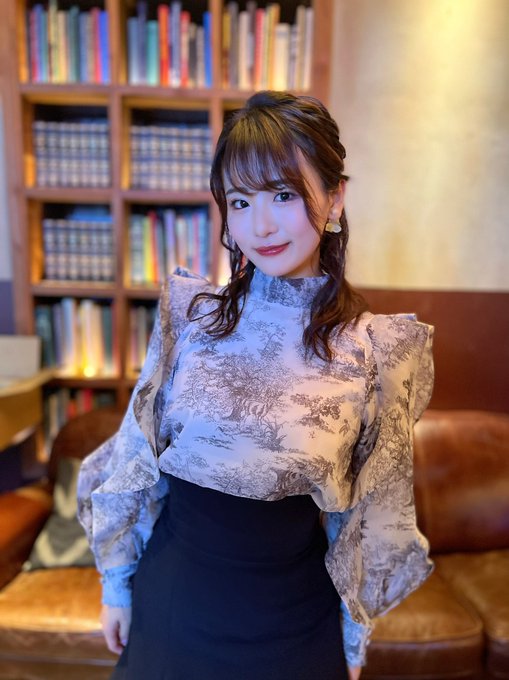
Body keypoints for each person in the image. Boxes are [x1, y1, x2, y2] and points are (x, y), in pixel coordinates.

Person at [77, 90, 434, 680]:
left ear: (335, 196)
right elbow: (137, 459)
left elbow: (370, 511)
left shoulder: (375, 352)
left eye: (283, 195)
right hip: (175, 605)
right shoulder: (191, 317)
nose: (259, 225)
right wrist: (116, 585)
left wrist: (353, 639)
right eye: (240, 201)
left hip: (295, 621)